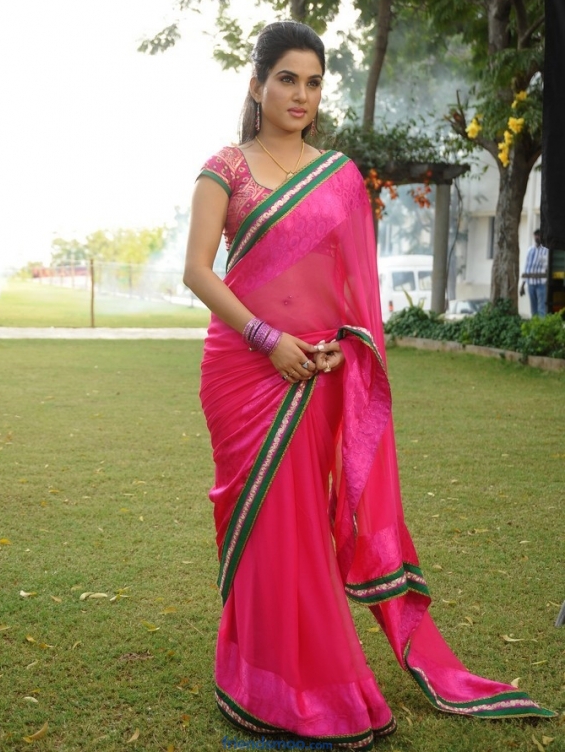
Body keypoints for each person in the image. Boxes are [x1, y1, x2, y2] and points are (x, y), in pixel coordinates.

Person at [183, 21, 554, 749]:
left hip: (316, 371)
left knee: (302, 523)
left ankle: (306, 674)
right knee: (264, 524)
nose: (300, 95)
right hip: (244, 371)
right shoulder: (223, 168)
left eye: (313, 82)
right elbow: (197, 270)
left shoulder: (339, 176)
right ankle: (258, 673)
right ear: (256, 85)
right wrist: (268, 339)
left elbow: (355, 291)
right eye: (286, 79)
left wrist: (339, 349)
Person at [520, 228, 549, 317]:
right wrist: (522, 285)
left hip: (541, 284)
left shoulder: (546, 250)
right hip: (531, 284)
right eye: (536, 235)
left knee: (541, 309)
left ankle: (541, 325)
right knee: (533, 309)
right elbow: (527, 268)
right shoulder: (530, 250)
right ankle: (534, 324)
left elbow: (547, 267)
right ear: (534, 236)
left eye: (539, 235)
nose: (537, 237)